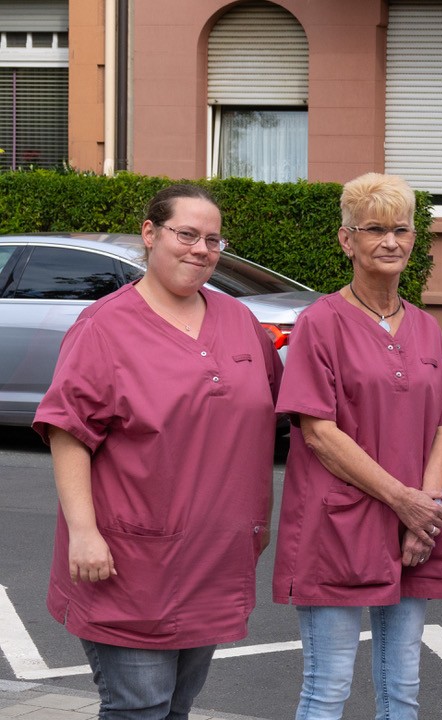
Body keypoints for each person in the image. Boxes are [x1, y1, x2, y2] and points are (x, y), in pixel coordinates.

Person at [34, 184, 282, 719]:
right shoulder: (104, 327)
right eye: (186, 234)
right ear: (150, 234)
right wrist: (83, 532)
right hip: (128, 563)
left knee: (176, 707)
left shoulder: (240, 323)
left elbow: (282, 411)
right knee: (140, 706)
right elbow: (68, 431)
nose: (200, 249)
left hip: (214, 558)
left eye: (212, 240)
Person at [271, 173, 442, 720]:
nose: (390, 242)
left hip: (413, 527)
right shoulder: (320, 324)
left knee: (401, 685)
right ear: (347, 240)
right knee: (328, 687)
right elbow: (319, 432)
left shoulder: (428, 328)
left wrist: (423, 514)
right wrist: (403, 501)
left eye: (402, 229)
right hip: (336, 526)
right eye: (375, 229)